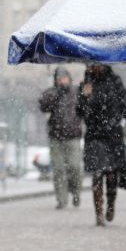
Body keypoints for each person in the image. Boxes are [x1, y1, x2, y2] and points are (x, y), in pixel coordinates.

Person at [77, 64, 126, 226]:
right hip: (94, 135)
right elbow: (79, 112)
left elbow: (125, 104)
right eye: (93, 64)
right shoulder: (86, 83)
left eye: (98, 64)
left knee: (111, 174)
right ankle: (99, 213)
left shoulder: (115, 81)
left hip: (112, 134)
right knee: (97, 174)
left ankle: (110, 204)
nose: (96, 67)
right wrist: (84, 96)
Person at [39, 67, 83, 209]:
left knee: (75, 167)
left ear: (69, 79)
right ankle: (61, 200)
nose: (62, 81)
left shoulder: (77, 92)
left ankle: (76, 192)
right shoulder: (51, 93)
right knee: (58, 170)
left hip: (73, 136)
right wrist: (56, 93)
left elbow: (86, 107)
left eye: (64, 78)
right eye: (59, 79)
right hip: (56, 137)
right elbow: (43, 106)